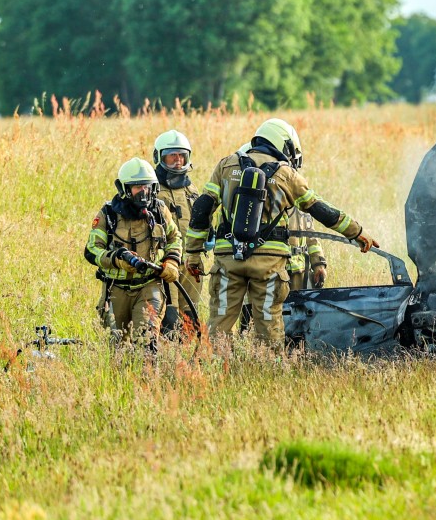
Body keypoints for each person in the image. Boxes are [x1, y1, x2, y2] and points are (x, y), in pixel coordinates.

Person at [185, 118, 377, 346]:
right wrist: (357, 232)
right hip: (268, 264)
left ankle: (215, 367)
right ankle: (270, 368)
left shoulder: (227, 165)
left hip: (228, 259)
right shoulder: (287, 174)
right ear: (283, 144)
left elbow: (202, 207)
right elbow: (320, 210)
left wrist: (193, 255)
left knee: (220, 323)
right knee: (269, 325)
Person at [84, 157, 183, 350]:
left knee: (147, 345)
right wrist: (117, 260)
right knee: (117, 347)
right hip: (116, 289)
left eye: (147, 186)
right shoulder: (108, 214)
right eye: (137, 187)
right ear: (124, 189)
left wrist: (171, 262)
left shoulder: (160, 211)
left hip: (149, 285)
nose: (143, 192)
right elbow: (91, 250)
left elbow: (174, 238)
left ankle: (147, 379)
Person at [151, 129, 203, 338]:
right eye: (172, 155)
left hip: (191, 261)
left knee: (190, 312)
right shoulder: (151, 189)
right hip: (166, 262)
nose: (178, 160)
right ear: (160, 157)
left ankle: (189, 356)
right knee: (168, 314)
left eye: (182, 155)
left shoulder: (192, 190)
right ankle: (166, 356)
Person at [286, 210, 328, 292]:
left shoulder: (302, 202)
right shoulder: (271, 201)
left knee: (302, 303)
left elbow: (311, 239)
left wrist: (319, 265)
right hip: (274, 270)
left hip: (302, 273)